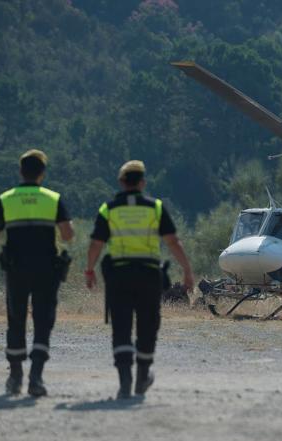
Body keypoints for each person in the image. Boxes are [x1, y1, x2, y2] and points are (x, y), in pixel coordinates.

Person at [85, 160, 193, 399]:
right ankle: (142, 376)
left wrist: (89, 269)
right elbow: (173, 241)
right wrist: (187, 270)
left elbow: (96, 244)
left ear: (122, 182)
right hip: (148, 276)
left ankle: (125, 382)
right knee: (148, 326)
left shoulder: (108, 209)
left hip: (118, 277)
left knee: (121, 328)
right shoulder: (155, 208)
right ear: (143, 183)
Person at [0, 149, 74, 397]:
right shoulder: (53, 198)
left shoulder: (6, 198)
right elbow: (68, 235)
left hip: (17, 270)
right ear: (42, 174)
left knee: (16, 320)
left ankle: (15, 377)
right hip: (46, 271)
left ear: (21, 171)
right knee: (43, 321)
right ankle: (36, 379)